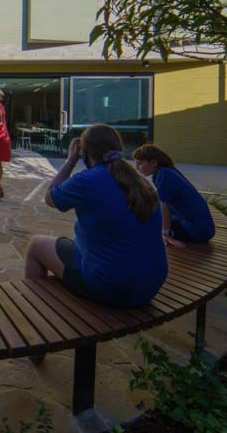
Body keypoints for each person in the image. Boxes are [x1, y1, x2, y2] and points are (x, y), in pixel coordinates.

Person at [25, 123, 167, 308]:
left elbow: (50, 197)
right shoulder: (139, 181)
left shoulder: (86, 181)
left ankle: (32, 312)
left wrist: (70, 161)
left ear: (84, 153)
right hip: (151, 284)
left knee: (36, 245)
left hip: (113, 286)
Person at [134, 144, 216, 247]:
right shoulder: (167, 171)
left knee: (144, 227)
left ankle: (169, 238)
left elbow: (164, 205)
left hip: (197, 230)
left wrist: (165, 233)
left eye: (140, 163)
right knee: (147, 217)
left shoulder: (164, 175)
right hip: (201, 226)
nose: (137, 168)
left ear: (154, 162)